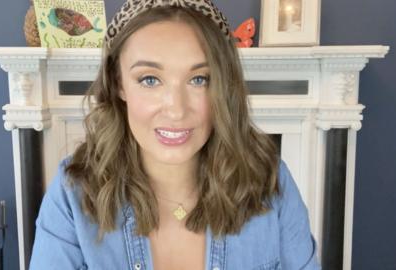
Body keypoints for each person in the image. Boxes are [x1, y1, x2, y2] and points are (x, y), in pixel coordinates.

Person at [29, 1, 322, 269]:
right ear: (119, 84)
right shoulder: (73, 196)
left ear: (223, 85)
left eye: (199, 79)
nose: (176, 110)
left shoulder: (271, 186)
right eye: (150, 79)